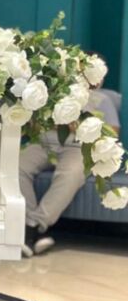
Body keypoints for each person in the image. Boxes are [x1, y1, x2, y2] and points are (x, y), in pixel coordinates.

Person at [19, 87, 121, 257]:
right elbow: (33, 124)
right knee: (17, 166)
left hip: (78, 147)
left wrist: (80, 128)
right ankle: (30, 229)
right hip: (43, 143)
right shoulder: (54, 91)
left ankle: (32, 227)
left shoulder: (103, 99)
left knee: (71, 174)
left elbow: (113, 133)